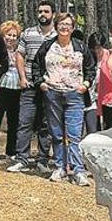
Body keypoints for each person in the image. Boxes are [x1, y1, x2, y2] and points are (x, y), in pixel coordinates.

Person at [36, 13, 96, 186]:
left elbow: (90, 68)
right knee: (56, 133)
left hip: (74, 94)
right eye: (61, 24)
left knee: (74, 134)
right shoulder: (48, 46)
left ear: (73, 27)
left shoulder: (80, 47)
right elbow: (36, 66)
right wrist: (41, 83)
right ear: (56, 26)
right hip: (52, 94)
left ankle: (78, 170)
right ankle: (60, 166)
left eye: (68, 24)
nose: (64, 27)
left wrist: (85, 84)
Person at [7, 1, 57, 174]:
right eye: (40, 11)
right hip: (29, 84)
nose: (42, 14)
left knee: (46, 124)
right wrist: (22, 77)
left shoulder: (58, 34)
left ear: (53, 14)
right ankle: (22, 158)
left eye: (46, 11)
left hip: (50, 85)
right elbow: (19, 55)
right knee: (24, 122)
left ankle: (43, 159)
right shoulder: (28, 33)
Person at [0, 20, 22, 165]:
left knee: (14, 120)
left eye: (14, 35)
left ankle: (11, 151)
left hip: (16, 87)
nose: (11, 38)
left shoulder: (20, 51)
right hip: (1, 87)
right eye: (9, 35)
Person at [84, 32, 110, 136]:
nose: (96, 51)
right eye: (93, 48)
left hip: (106, 98)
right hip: (92, 99)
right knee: (93, 129)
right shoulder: (87, 58)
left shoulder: (109, 56)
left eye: (99, 48)